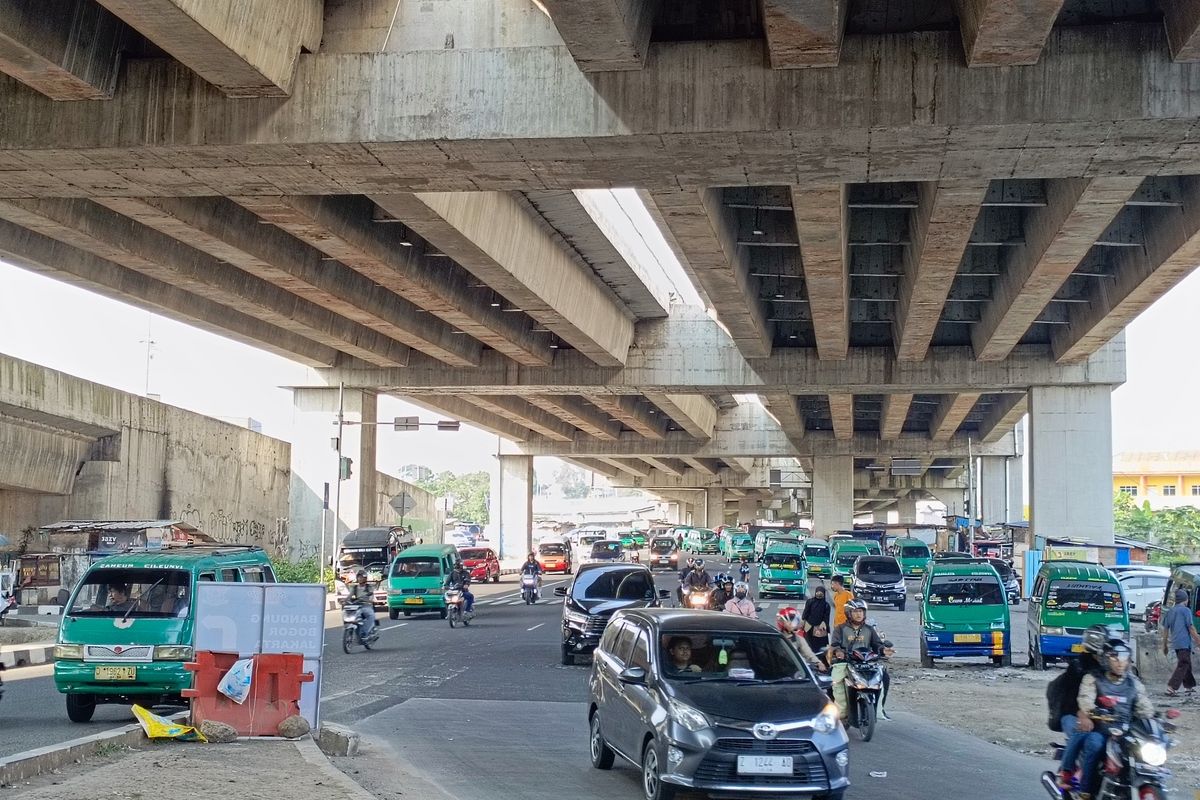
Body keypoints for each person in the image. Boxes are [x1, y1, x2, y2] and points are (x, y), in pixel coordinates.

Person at [1075, 637, 1155, 798]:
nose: (1120, 662)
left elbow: (1144, 706)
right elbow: (1085, 700)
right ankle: (1085, 791)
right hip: (1102, 729)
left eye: (1124, 658)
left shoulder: (1134, 683)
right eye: (1115, 657)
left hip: (1127, 732)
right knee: (1095, 745)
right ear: (1105, 659)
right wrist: (1094, 711)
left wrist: (1155, 718)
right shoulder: (1093, 678)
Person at [1052, 624, 1108, 791]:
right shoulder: (1078, 667)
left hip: (1101, 717)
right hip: (1071, 715)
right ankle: (1067, 771)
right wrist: (1083, 714)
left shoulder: (1112, 670)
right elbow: (1070, 701)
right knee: (1084, 733)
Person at [830, 599, 893, 719]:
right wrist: (838, 652)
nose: (859, 614)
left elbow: (877, 645)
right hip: (846, 662)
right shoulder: (840, 629)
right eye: (855, 611)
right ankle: (840, 713)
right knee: (836, 681)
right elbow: (835, 644)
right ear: (848, 613)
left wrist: (883, 650)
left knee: (884, 677)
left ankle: (880, 710)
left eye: (861, 611)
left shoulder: (869, 629)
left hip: (867, 663)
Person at [1161, 588, 1200, 695]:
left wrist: (1164, 645)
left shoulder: (1170, 611)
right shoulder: (1186, 611)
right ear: (1186, 600)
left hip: (1175, 643)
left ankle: (1189, 686)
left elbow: (1165, 630)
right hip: (1184, 643)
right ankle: (1171, 687)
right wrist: (1198, 640)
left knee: (1186, 663)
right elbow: (1191, 627)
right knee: (1184, 663)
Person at [777, 607, 826, 673]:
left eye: (795, 621)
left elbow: (808, 653)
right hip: (778, 672)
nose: (794, 624)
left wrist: (818, 663)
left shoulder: (798, 638)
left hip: (796, 672)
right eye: (791, 621)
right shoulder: (775, 639)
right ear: (782, 622)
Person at [346, 570, 378, 641]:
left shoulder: (368, 587)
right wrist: (344, 600)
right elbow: (349, 595)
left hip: (366, 606)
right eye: (359, 577)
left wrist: (369, 600)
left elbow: (371, 595)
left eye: (362, 577)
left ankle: (365, 633)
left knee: (371, 616)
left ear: (365, 578)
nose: (360, 579)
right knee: (351, 617)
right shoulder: (355, 587)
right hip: (357, 606)